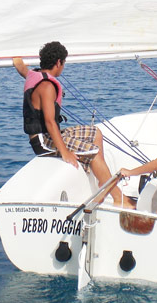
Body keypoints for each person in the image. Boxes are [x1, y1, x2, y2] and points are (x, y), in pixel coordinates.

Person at [13, 41, 134, 209]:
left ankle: (101, 181)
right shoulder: (47, 86)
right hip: (43, 141)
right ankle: (118, 198)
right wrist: (65, 152)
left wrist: (15, 58)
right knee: (93, 152)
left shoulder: (34, 74)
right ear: (58, 63)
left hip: (47, 134)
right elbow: (49, 121)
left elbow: (20, 67)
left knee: (95, 132)